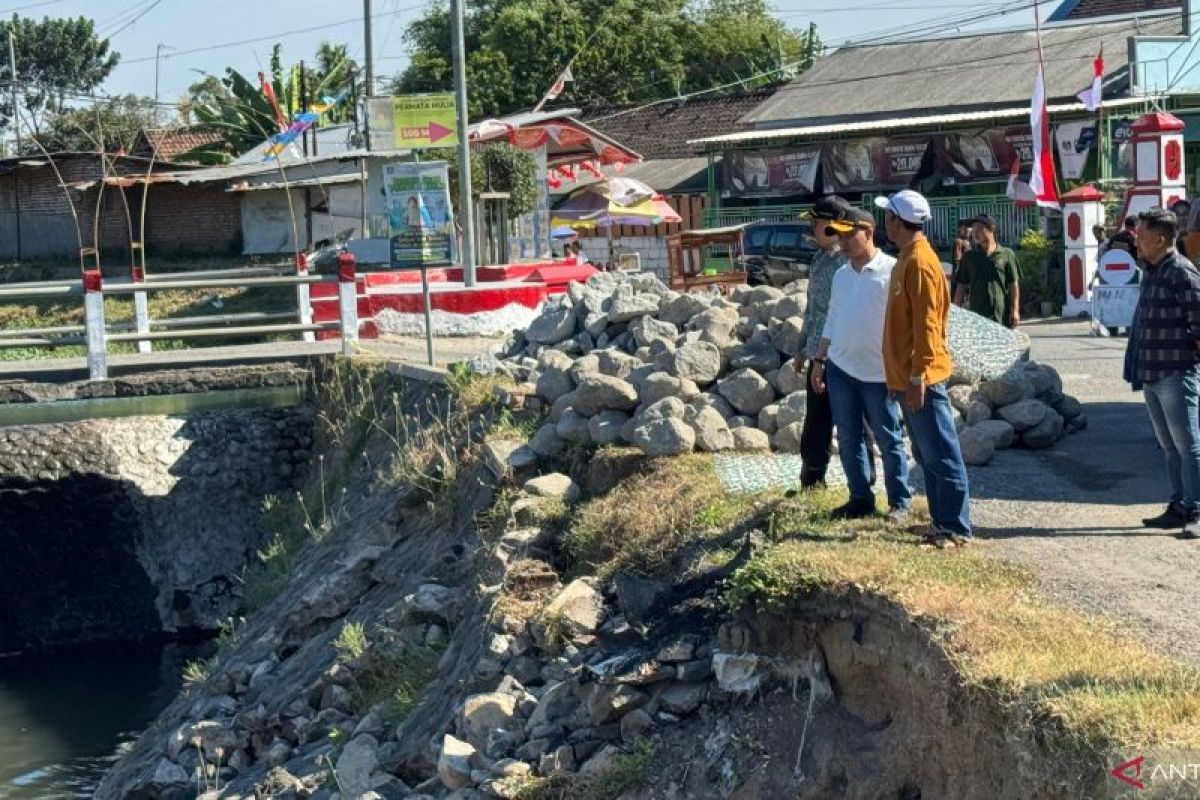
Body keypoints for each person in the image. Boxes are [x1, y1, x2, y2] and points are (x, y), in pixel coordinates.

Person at [876, 190, 972, 548]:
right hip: (908, 378)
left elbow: (928, 326)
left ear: (898, 222)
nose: (885, 222)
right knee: (927, 455)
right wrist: (897, 378)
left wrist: (917, 377)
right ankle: (940, 521)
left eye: (888, 216)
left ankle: (955, 528)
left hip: (924, 379)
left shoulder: (920, 262)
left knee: (943, 454)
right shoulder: (907, 257)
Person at [811, 208, 912, 522]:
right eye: (839, 236)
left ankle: (900, 503)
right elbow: (832, 318)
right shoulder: (841, 275)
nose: (843, 242)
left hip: (879, 373)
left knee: (888, 437)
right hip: (841, 367)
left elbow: (907, 323)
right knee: (849, 437)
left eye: (849, 234)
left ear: (868, 232)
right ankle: (860, 498)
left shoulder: (893, 271)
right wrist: (820, 359)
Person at [1124, 207, 1200, 539]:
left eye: (1141, 235)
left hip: (1175, 372)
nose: (1136, 241)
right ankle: (1178, 505)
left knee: (1189, 445)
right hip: (1152, 373)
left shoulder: (1181, 272)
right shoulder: (1152, 271)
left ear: (1161, 238)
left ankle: (1196, 508)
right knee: (1168, 446)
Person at [796, 195, 852, 488]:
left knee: (853, 421)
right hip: (817, 351)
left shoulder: (848, 262)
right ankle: (813, 477)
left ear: (832, 226)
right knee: (816, 417)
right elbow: (812, 307)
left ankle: (862, 483)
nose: (811, 229)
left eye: (815, 224)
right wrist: (802, 345)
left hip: (841, 354)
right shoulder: (819, 258)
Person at [952, 213, 1021, 328]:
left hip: (1001, 316)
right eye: (973, 229)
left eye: (979, 229)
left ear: (991, 229)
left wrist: (1015, 310)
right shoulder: (969, 257)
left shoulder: (1006, 254)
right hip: (976, 317)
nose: (975, 233)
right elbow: (961, 285)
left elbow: (1014, 284)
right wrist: (955, 313)